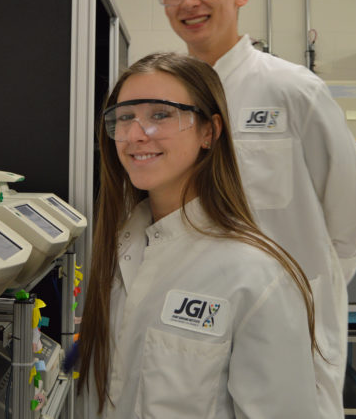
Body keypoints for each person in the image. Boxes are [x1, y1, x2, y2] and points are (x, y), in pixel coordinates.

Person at [155, 0, 356, 419]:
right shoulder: (169, 101)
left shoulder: (293, 91)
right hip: (196, 323)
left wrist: (299, 293)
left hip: (288, 329)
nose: (188, 1)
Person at [77, 52, 320, 418]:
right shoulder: (117, 250)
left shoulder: (256, 275)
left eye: (160, 114)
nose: (135, 135)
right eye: (125, 117)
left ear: (210, 131)